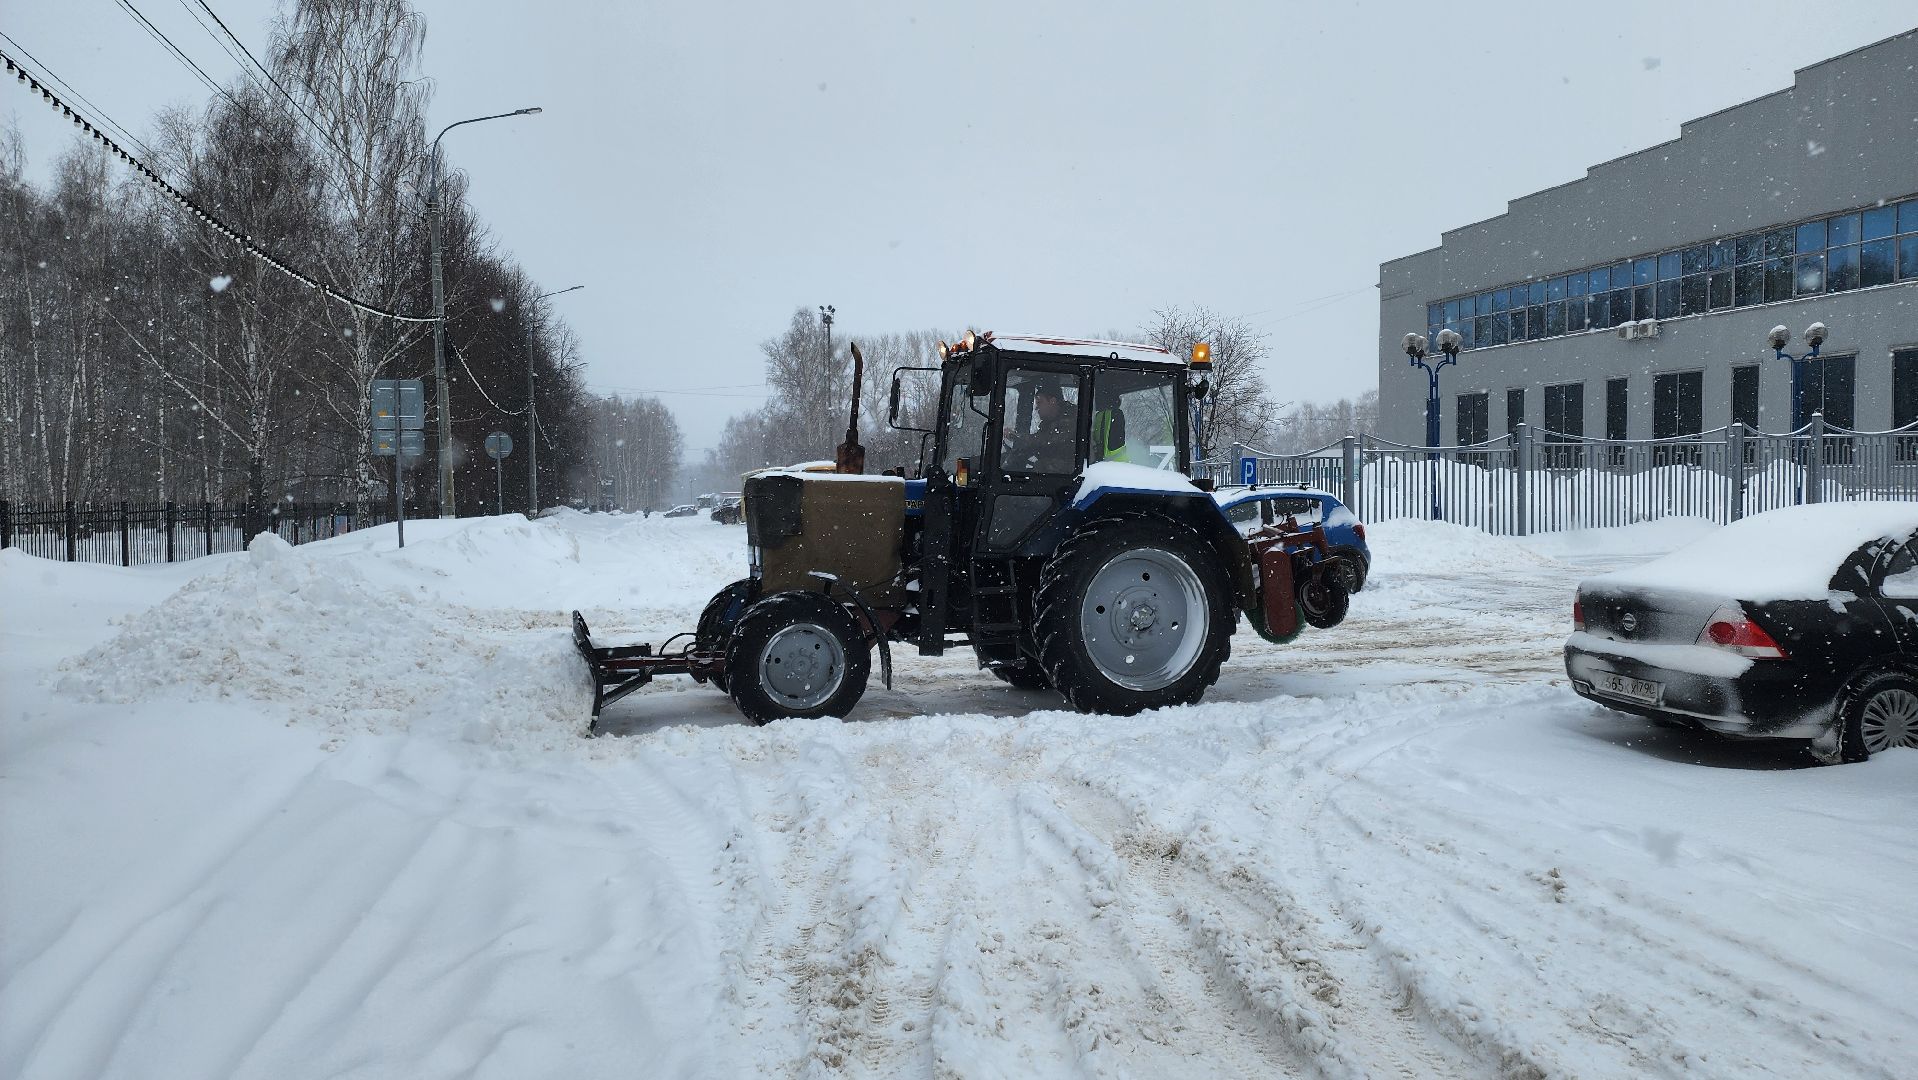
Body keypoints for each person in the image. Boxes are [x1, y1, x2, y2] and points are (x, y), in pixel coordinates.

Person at [1005, 379, 1078, 473]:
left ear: (1052, 401)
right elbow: (1036, 445)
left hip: (1067, 474)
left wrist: (1018, 436)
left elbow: (1046, 440)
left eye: (1039, 402)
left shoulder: (1072, 419)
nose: (1036, 408)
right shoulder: (1049, 423)